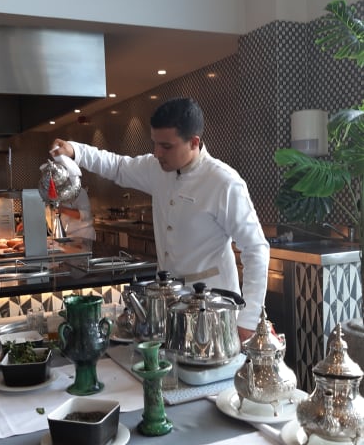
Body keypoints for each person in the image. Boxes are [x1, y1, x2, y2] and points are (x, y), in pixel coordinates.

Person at [51, 97, 269, 341]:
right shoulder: (157, 169)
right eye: (155, 143)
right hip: (168, 308)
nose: (157, 153)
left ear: (194, 142)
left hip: (212, 310)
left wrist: (249, 320)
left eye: (166, 146)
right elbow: (118, 166)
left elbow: (256, 248)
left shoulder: (224, 182)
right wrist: (76, 151)